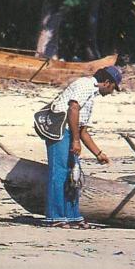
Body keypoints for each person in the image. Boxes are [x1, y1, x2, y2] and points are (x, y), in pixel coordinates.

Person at [42, 66, 121, 229]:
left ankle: (72, 216)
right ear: (107, 82)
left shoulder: (92, 94)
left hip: (72, 134)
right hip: (61, 131)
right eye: (113, 87)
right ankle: (55, 217)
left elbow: (82, 129)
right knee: (60, 173)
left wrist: (98, 153)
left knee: (74, 176)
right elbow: (73, 108)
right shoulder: (85, 85)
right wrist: (75, 141)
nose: (112, 92)